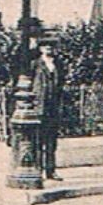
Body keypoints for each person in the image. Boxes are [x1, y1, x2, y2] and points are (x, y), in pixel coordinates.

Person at [32, 40, 64, 181]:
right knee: (38, 141)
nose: (49, 49)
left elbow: (61, 83)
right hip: (39, 106)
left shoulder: (58, 64)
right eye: (45, 46)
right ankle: (38, 170)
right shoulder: (35, 64)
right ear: (40, 48)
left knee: (51, 142)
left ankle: (51, 171)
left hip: (53, 106)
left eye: (51, 46)